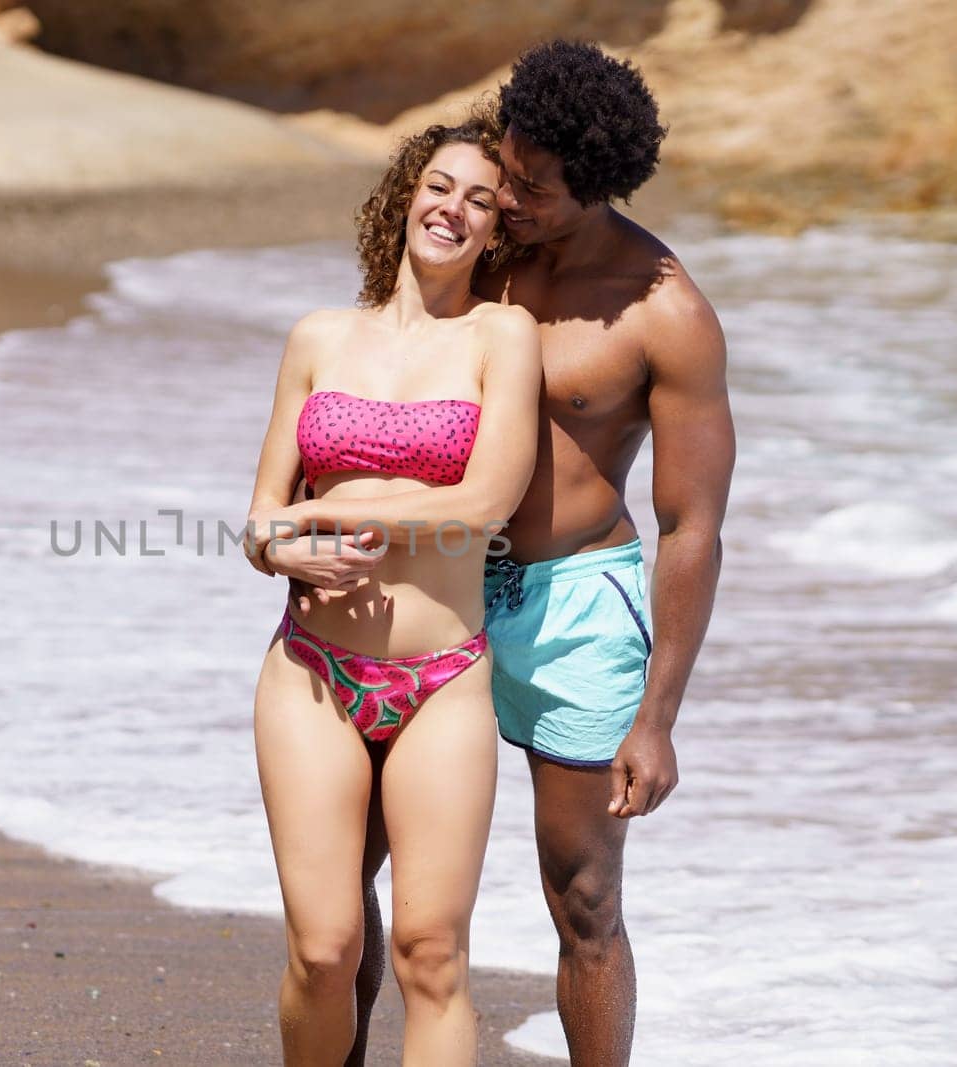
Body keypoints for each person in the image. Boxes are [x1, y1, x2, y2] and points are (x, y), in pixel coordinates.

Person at [305, 40, 736, 1066]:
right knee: (355, 873)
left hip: (573, 601)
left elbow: (694, 524)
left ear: (596, 185)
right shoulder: (489, 249)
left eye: (534, 187)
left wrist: (658, 716)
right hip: (435, 586)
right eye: (507, 168)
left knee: (583, 891)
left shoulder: (664, 312)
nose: (508, 199)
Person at [243, 116, 543, 1065]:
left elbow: (488, 502)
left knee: (431, 952)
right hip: (311, 672)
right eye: (440, 186)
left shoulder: (503, 335)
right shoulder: (319, 336)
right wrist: (278, 551)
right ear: (406, 195)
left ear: (496, 232)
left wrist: (325, 524)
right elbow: (260, 519)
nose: (453, 209)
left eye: (481, 201)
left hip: (443, 677)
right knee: (324, 948)